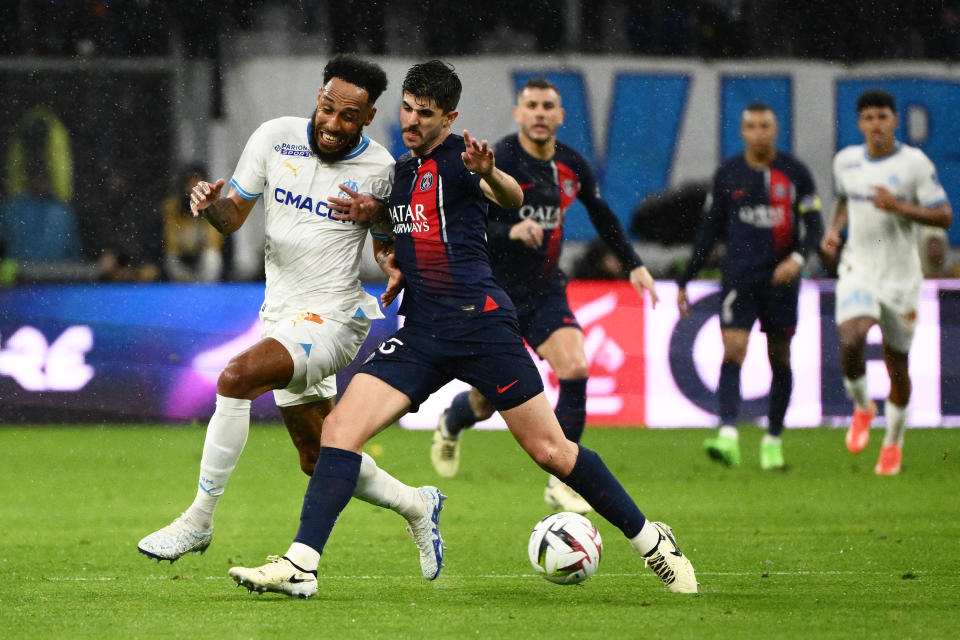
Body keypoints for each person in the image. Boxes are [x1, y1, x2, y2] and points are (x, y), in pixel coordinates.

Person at [228, 60, 696, 599]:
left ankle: (651, 540)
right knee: (338, 433)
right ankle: (301, 565)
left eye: (425, 114)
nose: (412, 121)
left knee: (551, 451)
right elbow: (405, 226)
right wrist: (377, 216)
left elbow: (512, 197)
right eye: (407, 108)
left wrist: (490, 171)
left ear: (449, 118)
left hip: (481, 326)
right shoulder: (402, 173)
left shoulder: (462, 161)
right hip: (422, 332)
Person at [137, 56, 446, 583]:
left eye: (349, 116)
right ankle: (418, 505)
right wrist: (209, 205)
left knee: (235, 378)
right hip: (280, 315)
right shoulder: (273, 138)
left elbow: (387, 248)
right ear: (319, 97)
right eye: (327, 108)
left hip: (334, 319)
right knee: (319, 455)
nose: (332, 123)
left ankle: (199, 520)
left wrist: (395, 263)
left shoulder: (381, 170)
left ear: (369, 118)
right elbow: (232, 216)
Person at [428, 77, 659, 516]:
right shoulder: (498, 160)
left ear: (560, 116)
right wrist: (509, 230)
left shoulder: (572, 165)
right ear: (518, 113)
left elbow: (602, 213)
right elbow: (464, 225)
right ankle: (452, 421)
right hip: (494, 291)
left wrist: (634, 264)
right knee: (487, 400)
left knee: (575, 365)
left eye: (547, 106)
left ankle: (563, 481)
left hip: (546, 290)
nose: (538, 112)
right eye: (530, 104)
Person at [676, 102, 823, 471]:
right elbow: (709, 230)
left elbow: (815, 226)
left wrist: (798, 260)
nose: (759, 132)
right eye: (752, 126)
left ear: (775, 130)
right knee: (733, 349)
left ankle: (772, 441)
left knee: (780, 358)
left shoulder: (795, 173)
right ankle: (728, 435)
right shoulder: (729, 174)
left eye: (765, 126)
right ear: (743, 132)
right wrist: (686, 278)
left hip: (781, 280)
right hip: (740, 278)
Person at [821, 89, 952, 475]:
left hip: (901, 277)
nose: (876, 125)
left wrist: (900, 206)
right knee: (851, 337)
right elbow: (845, 199)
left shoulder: (914, 164)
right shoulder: (846, 161)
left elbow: (944, 215)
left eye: (883, 117)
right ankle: (863, 406)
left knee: (897, 365)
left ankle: (893, 441)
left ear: (895, 122)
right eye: (869, 118)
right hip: (858, 267)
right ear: (860, 124)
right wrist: (833, 230)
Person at [0, 159, 83, 263]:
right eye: (36, 175)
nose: (40, 180)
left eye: (43, 176)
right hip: (19, 275)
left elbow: (74, 250)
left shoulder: (63, 211)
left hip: (59, 275)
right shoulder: (11, 209)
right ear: (28, 178)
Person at [161, 163, 224, 282]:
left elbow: (219, 246)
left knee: (212, 258)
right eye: (191, 184)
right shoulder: (171, 208)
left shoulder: (215, 210)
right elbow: (166, 245)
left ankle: (208, 291)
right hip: (179, 262)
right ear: (183, 186)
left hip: (204, 266)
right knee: (171, 258)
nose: (195, 189)